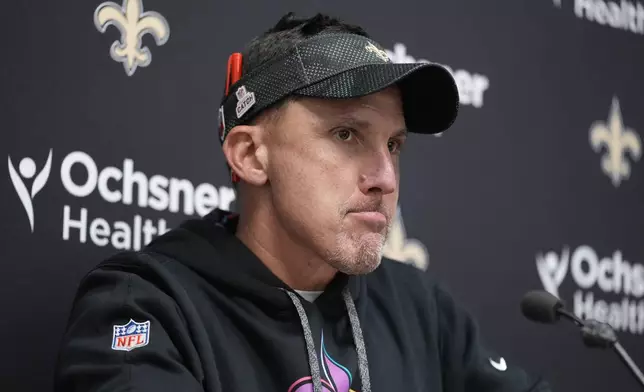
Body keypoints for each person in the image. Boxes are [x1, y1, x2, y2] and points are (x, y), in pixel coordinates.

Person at [54, 12, 552, 392]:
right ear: (250, 155)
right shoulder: (146, 306)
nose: (384, 177)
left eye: (394, 145)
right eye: (346, 133)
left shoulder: (419, 307)